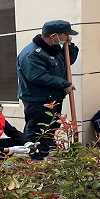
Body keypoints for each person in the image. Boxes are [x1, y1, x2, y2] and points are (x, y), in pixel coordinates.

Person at [17, 20, 79, 160]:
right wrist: (64, 84)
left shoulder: (54, 49)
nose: (68, 37)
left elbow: (69, 61)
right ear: (54, 36)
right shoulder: (32, 53)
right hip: (38, 99)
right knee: (37, 129)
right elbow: (38, 76)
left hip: (53, 97)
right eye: (66, 34)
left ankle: (47, 152)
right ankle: (33, 158)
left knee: (51, 127)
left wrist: (70, 45)